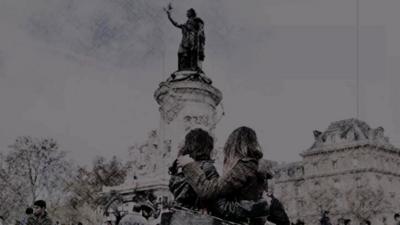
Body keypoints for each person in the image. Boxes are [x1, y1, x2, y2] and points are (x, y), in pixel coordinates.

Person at [177, 126, 268, 225]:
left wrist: (189, 165)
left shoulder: (244, 167)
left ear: (233, 146)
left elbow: (209, 191)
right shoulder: (254, 168)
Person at [169, 128, 219, 211]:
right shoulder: (206, 167)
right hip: (197, 218)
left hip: (178, 216)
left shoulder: (180, 166)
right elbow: (215, 195)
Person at [165, 7, 205, 72]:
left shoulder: (197, 21)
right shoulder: (186, 24)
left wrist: (199, 43)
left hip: (193, 41)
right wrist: (169, 16)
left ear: (191, 13)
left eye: (188, 12)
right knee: (180, 53)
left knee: (192, 55)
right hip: (185, 42)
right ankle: (182, 69)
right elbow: (177, 24)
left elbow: (200, 31)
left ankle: (192, 68)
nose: (186, 13)